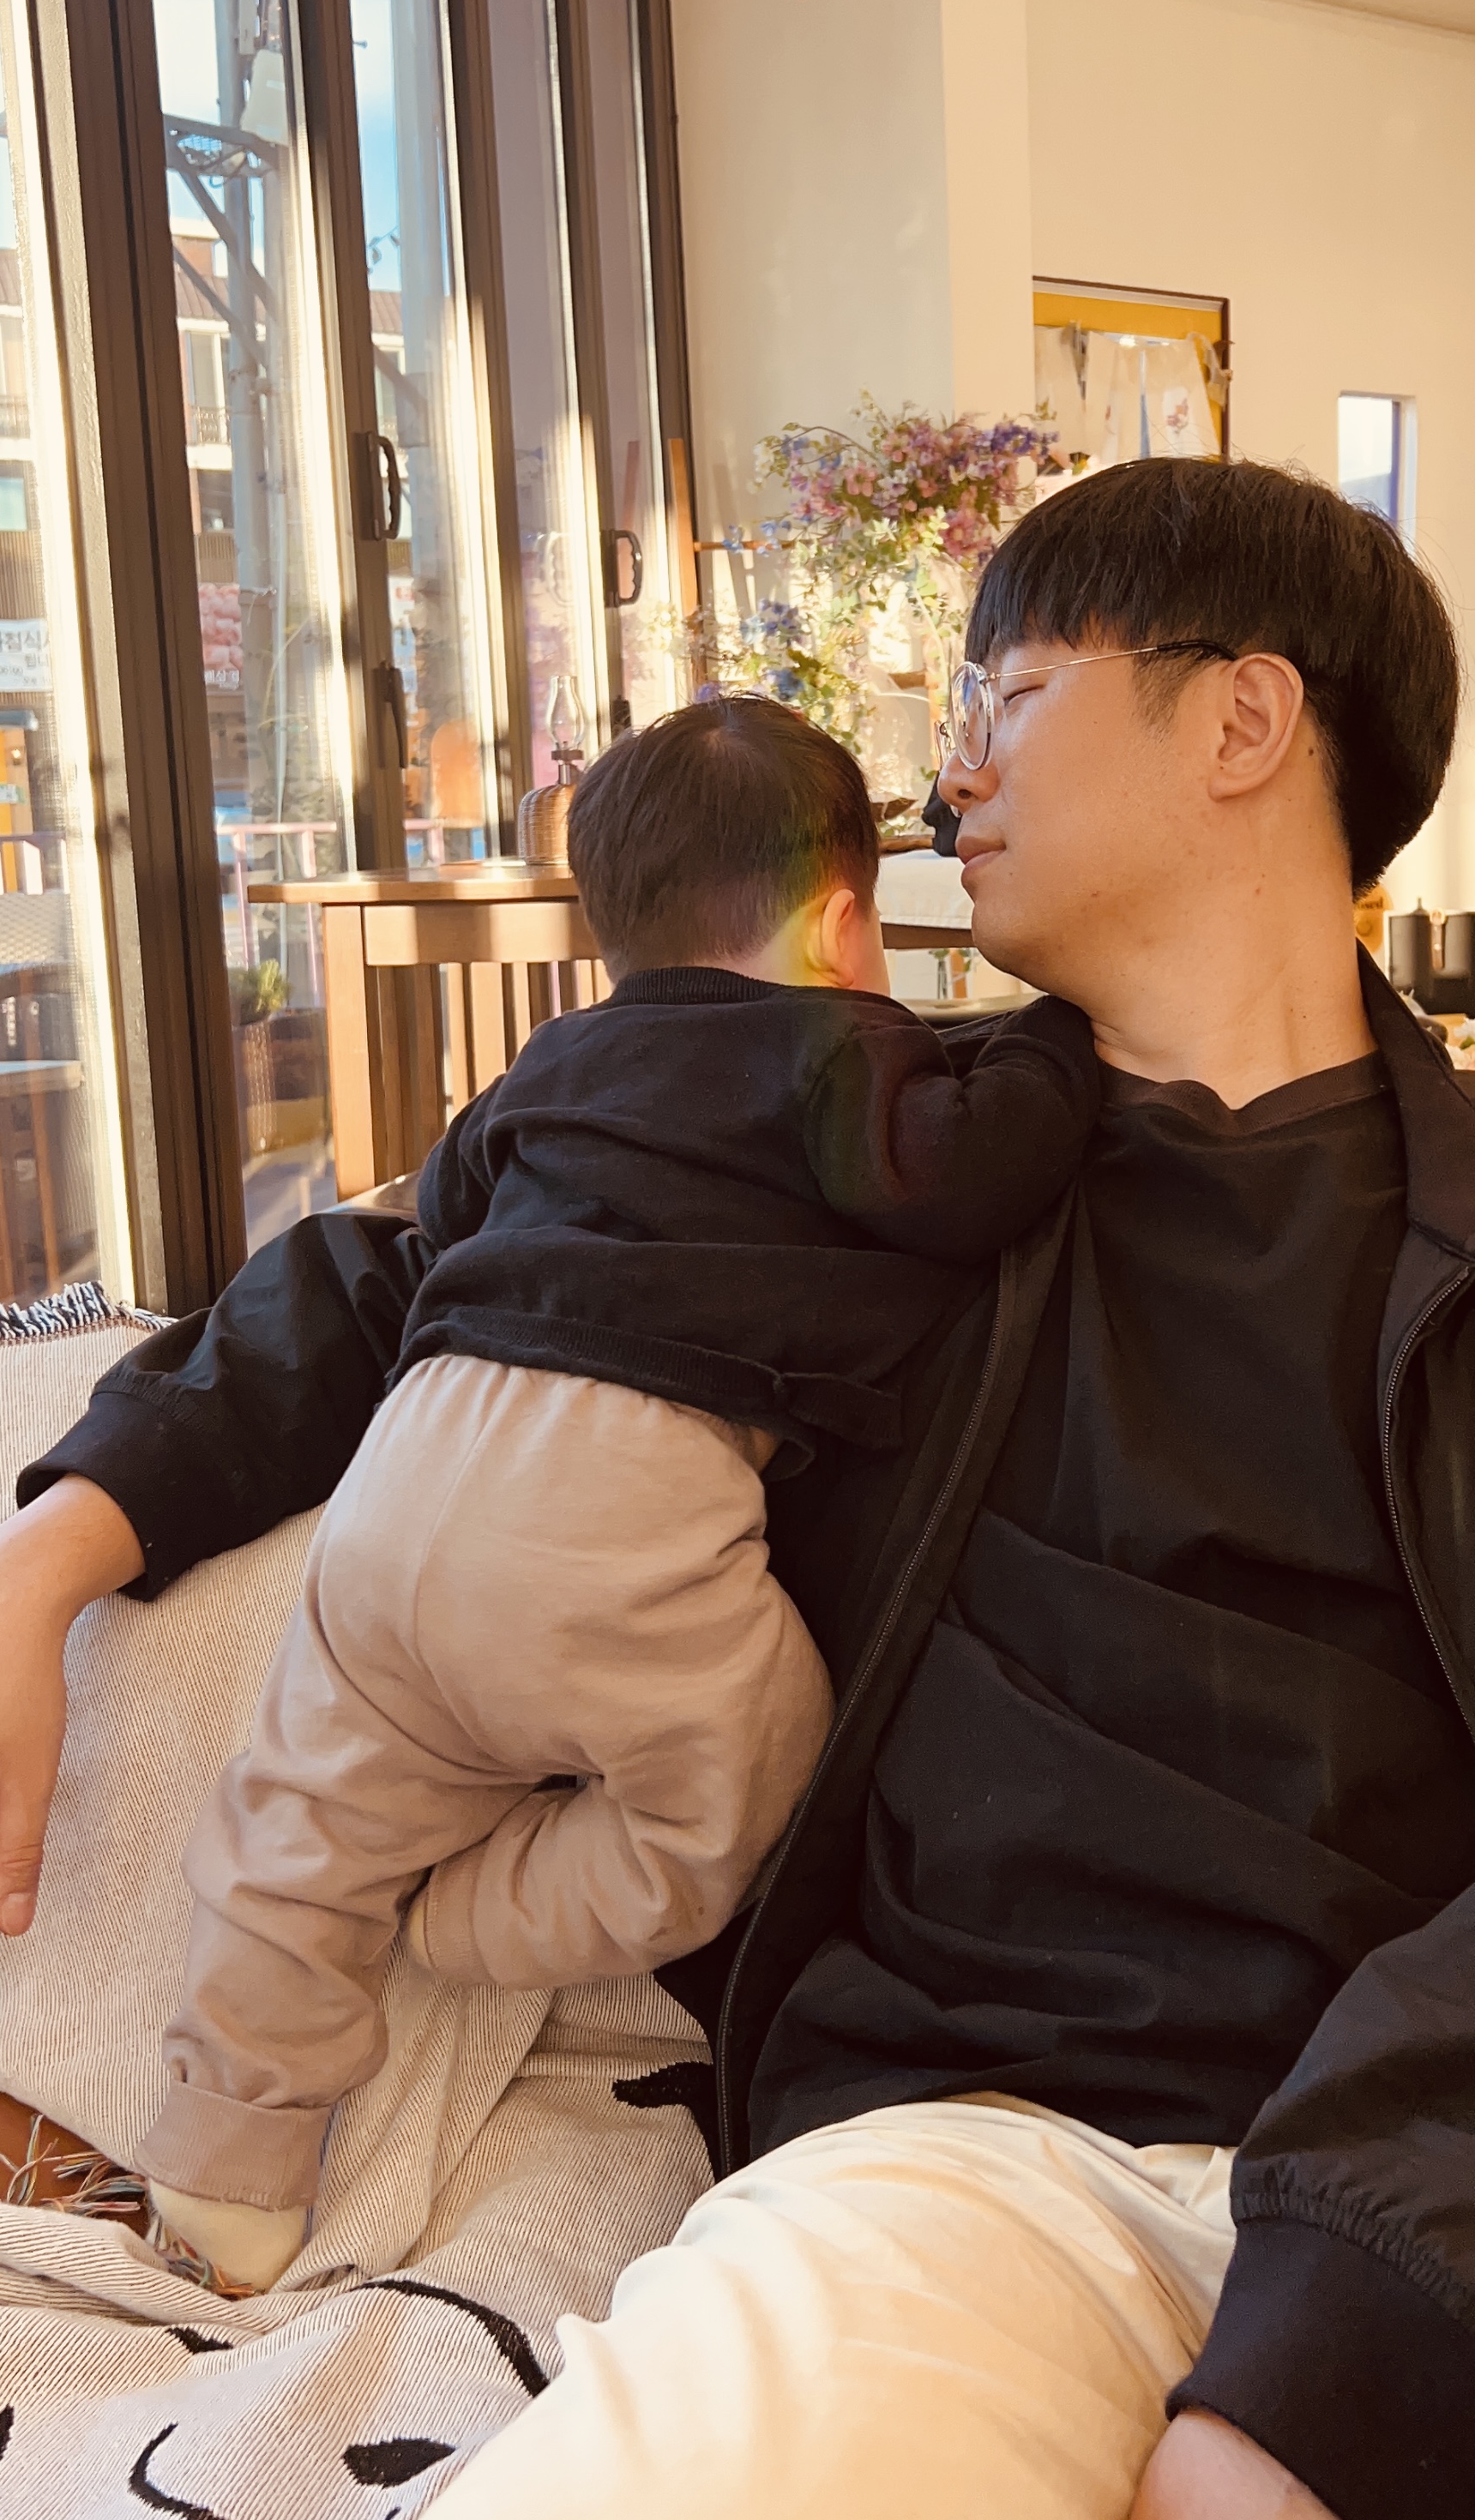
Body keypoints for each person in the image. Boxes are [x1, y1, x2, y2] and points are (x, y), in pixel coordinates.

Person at [0, 454, 1475, 2520]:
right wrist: (47, 1546)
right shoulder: (850, 1146)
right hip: (989, 2170)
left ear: (1244, 721)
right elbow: (410, 1267)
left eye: (1008, 693)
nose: (947, 768)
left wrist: (1368, 2332)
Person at [131, 695, 1099, 2288]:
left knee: (290, 1827)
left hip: (405, 1479)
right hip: (609, 1507)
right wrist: (1060, 1031)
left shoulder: (554, 1061)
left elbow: (448, 1211)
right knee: (742, 1769)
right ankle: (455, 1922)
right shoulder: (842, 1052)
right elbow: (973, 1175)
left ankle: (224, 2168)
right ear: (841, 927)